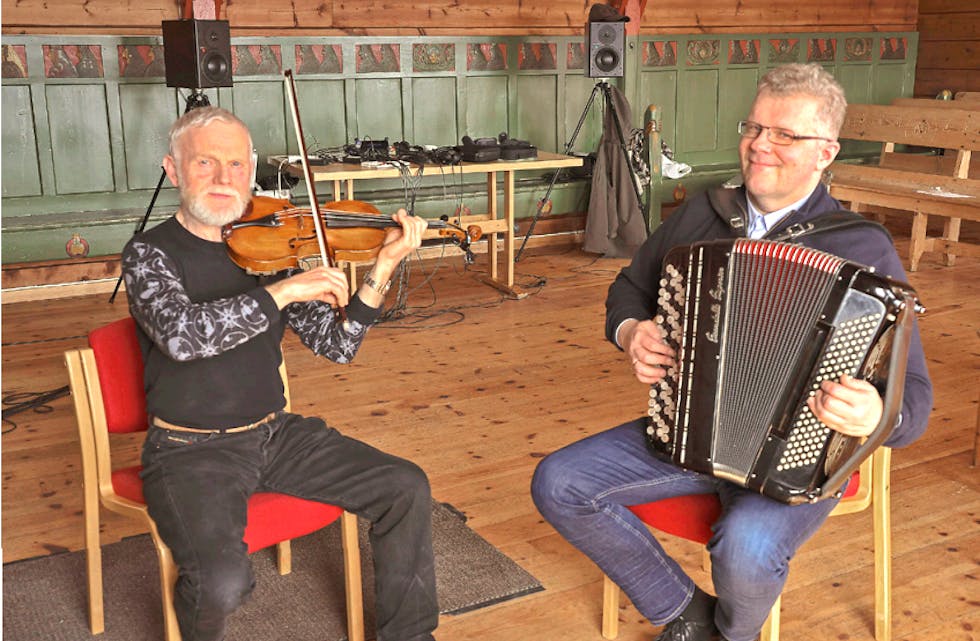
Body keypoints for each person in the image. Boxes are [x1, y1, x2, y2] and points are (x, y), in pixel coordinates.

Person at [531, 63, 933, 641]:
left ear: (826, 153)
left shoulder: (860, 248)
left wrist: (875, 413)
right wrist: (631, 332)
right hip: (689, 432)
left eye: (784, 135)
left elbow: (913, 396)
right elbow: (630, 287)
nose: (759, 146)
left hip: (799, 460)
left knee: (745, 547)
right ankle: (688, 616)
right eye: (754, 127)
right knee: (559, 482)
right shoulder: (706, 211)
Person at [121, 106, 438, 641]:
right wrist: (284, 290)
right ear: (173, 171)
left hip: (276, 433)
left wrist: (382, 268)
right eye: (205, 163)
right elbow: (183, 337)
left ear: (252, 173)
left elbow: (336, 345)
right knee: (221, 584)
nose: (224, 179)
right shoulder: (149, 254)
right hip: (190, 450)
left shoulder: (273, 250)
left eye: (238, 165)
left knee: (405, 486)